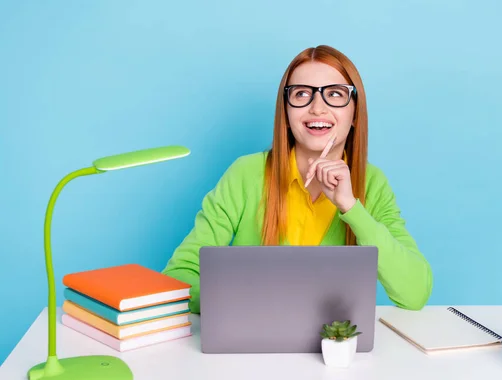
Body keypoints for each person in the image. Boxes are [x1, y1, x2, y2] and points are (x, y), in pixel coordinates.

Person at [162, 45, 433, 314]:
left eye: (334, 94)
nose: (317, 108)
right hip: (254, 347)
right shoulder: (246, 174)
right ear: (286, 114)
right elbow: (179, 276)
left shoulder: (372, 183)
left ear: (354, 114)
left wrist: (352, 208)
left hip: (336, 352)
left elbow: (414, 293)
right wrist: (247, 302)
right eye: (302, 94)